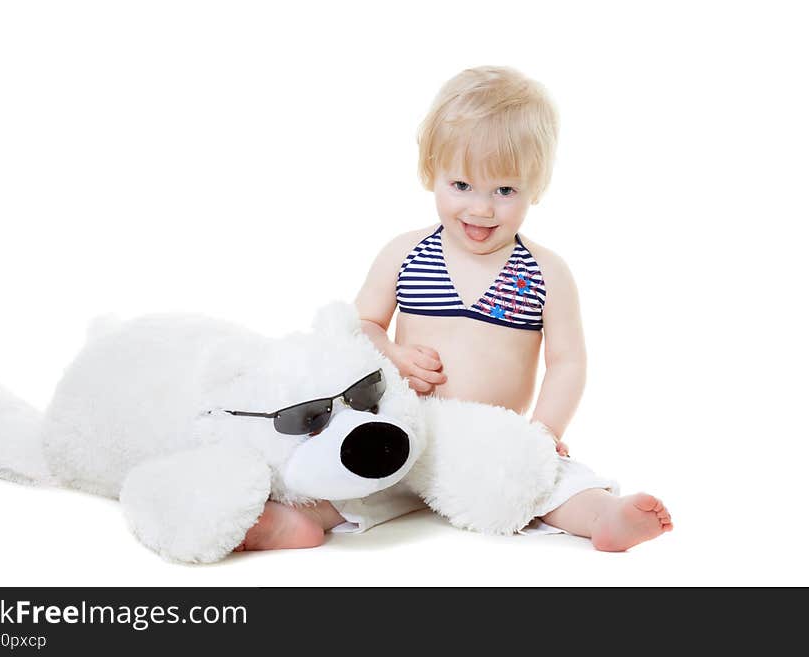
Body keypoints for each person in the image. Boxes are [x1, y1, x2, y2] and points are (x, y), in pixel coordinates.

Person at [235, 65, 672, 553]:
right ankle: (297, 520)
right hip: (405, 428)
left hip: (487, 441)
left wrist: (545, 431)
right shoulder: (406, 253)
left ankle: (602, 515)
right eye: (461, 185)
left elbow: (568, 362)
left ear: (536, 186)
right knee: (356, 469)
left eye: (504, 191)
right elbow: (359, 326)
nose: (481, 209)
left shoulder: (545, 272)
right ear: (431, 174)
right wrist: (394, 356)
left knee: (544, 476)